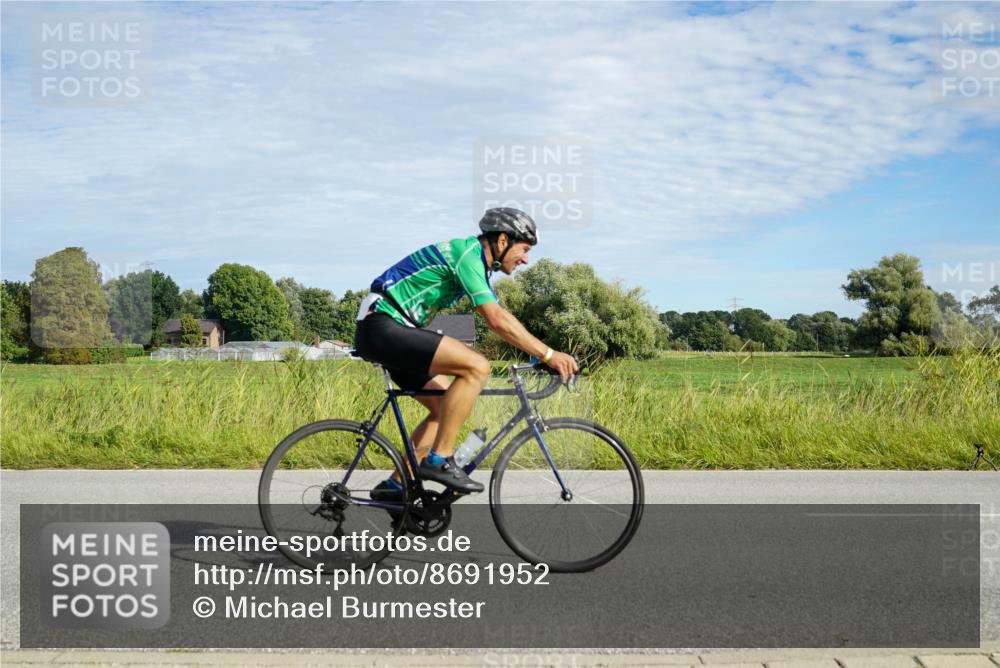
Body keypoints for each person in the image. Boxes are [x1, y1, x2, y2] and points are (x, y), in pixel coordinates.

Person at [353, 207, 578, 498]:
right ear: (501, 241)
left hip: (389, 329)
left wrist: (537, 355)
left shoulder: (477, 264)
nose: (525, 259)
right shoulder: (467, 254)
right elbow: (496, 319)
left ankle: (396, 485)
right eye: (523, 249)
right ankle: (439, 461)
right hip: (383, 325)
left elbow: (504, 320)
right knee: (477, 366)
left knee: (443, 407)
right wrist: (549, 354)